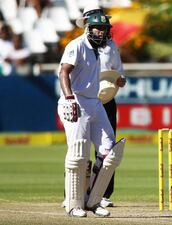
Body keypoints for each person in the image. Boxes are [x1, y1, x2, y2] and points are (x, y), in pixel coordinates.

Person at [58, 10, 126, 218]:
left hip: (95, 102)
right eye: (98, 28)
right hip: (76, 100)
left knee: (109, 151)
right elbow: (64, 72)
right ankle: (73, 204)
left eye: (105, 29)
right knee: (79, 153)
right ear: (88, 28)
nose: (102, 33)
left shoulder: (103, 49)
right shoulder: (76, 45)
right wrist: (69, 98)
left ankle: (94, 201)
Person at [75, 4, 126, 209]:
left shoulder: (111, 45)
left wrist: (120, 80)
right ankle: (75, 193)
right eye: (96, 20)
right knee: (80, 147)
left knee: (108, 148)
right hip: (85, 100)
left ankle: (103, 193)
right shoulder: (78, 45)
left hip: (106, 99)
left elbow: (119, 72)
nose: (101, 26)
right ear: (87, 22)